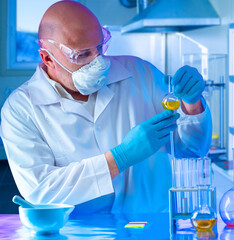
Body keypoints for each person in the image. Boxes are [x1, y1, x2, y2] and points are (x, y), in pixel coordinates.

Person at [1, 1, 211, 214]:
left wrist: (192, 104)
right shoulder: (21, 109)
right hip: (80, 234)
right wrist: (120, 158)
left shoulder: (140, 73)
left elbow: (193, 149)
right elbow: (41, 191)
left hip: (152, 226)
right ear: (48, 58)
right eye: (82, 54)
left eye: (100, 47)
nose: (99, 61)